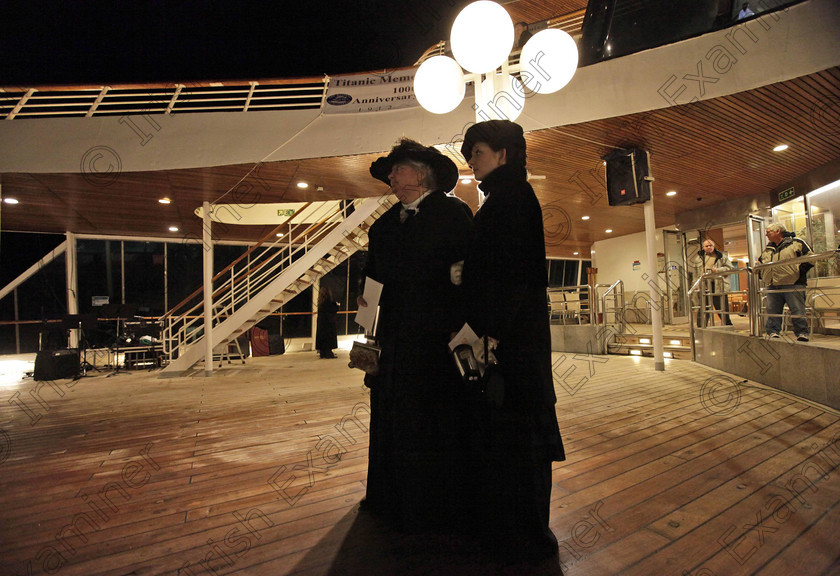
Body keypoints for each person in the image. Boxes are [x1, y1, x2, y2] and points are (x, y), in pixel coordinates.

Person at [459, 119, 565, 561]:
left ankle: (525, 534)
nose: (471, 161)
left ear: (503, 154)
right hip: (512, 342)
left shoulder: (512, 198)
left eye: (478, 152)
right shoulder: (506, 197)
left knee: (521, 433)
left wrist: (493, 335)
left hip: (511, 345)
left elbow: (515, 276)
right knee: (517, 435)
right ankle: (518, 527)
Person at [358, 138, 474, 532]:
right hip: (393, 345)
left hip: (436, 345)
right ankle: (392, 497)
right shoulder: (384, 225)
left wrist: (464, 332)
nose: (391, 176)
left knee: (434, 420)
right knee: (394, 418)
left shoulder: (454, 214)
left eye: (398, 168)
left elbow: (467, 279)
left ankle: (436, 504)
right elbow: (370, 288)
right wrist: (367, 342)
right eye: (390, 171)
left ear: (421, 173)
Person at [758, 222, 812, 341]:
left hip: (793, 283)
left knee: (797, 309)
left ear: (778, 231)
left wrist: (798, 271)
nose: (766, 234)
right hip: (772, 284)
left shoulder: (796, 243)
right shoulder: (768, 248)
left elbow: (811, 258)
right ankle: (773, 331)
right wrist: (763, 275)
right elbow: (760, 263)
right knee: (772, 310)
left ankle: (802, 333)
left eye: (768, 232)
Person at [700, 238, 734, 326]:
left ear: (714, 246)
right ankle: (701, 327)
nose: (709, 247)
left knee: (722, 307)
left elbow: (730, 268)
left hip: (718, 284)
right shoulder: (699, 258)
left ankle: (728, 325)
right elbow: (696, 273)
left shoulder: (721, 257)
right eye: (706, 246)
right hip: (705, 285)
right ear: (703, 247)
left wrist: (718, 270)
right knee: (703, 307)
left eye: (710, 245)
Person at [315, 285, 339, 358]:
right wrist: (337, 306)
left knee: (322, 338)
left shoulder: (320, 302)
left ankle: (323, 353)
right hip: (328, 323)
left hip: (321, 323)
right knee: (328, 338)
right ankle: (328, 353)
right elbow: (333, 309)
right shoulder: (328, 302)